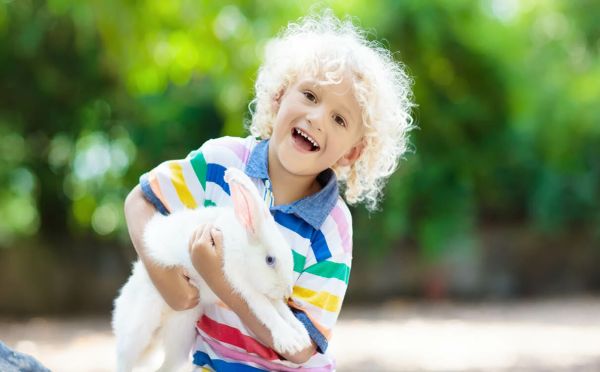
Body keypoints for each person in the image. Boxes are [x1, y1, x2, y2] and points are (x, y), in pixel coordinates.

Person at [124, 10, 414, 371]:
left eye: (339, 119)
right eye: (309, 95)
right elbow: (140, 201)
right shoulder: (222, 161)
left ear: (352, 152)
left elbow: (301, 346)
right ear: (279, 97)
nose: (317, 117)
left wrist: (220, 279)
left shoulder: (332, 227)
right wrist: (163, 276)